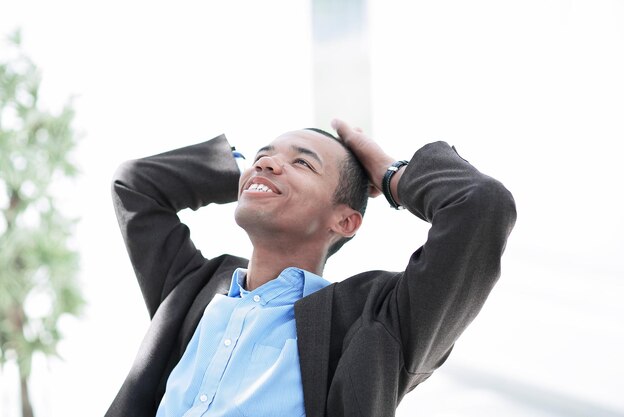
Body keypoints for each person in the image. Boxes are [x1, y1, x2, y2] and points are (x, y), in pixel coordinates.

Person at [105, 119, 516, 417]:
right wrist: (237, 168)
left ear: (345, 220)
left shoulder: (374, 322)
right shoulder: (190, 291)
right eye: (264, 157)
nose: (266, 165)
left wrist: (389, 173)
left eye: (302, 163)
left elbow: (482, 207)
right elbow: (135, 185)